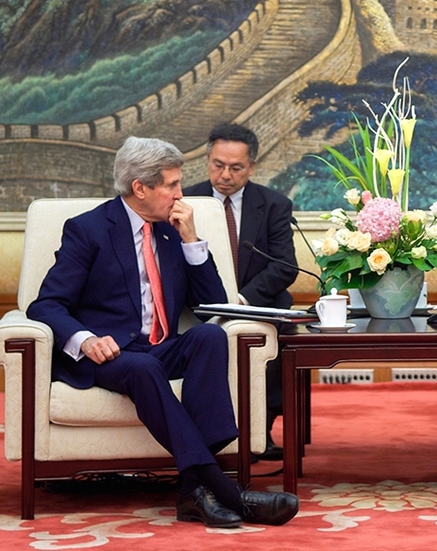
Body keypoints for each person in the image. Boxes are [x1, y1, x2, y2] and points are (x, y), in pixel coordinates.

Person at [27, 136, 299, 529]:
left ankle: (193, 493)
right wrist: (85, 339)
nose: (180, 193)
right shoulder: (89, 230)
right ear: (140, 188)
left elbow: (212, 307)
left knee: (210, 337)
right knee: (143, 369)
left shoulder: (172, 231)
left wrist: (191, 239)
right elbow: (45, 304)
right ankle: (229, 494)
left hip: (159, 346)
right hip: (111, 355)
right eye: (171, 184)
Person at [183, 123, 298, 462]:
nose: (225, 175)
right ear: (207, 161)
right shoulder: (186, 201)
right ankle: (210, 433)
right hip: (199, 303)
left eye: (236, 167)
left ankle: (261, 429)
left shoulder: (274, 205)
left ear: (252, 166)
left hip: (257, 302)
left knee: (276, 337)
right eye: (218, 165)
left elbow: (284, 266)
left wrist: (242, 299)